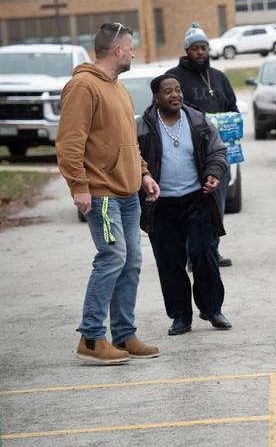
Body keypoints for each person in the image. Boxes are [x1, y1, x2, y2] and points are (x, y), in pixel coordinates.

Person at [56, 22, 161, 365]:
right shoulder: (83, 86)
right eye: (130, 47)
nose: (133, 52)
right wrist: (79, 186)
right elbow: (70, 143)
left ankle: (124, 335)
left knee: (131, 262)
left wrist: (143, 172)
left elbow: (127, 141)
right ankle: (91, 338)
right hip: (101, 194)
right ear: (117, 50)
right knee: (112, 257)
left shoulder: (118, 87)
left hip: (129, 192)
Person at [137, 74, 232, 335]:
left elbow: (218, 150)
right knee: (170, 262)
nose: (176, 95)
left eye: (178, 90)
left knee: (205, 254)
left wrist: (213, 172)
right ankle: (180, 317)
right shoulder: (142, 128)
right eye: (168, 91)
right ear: (156, 97)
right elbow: (131, 159)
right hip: (161, 204)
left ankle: (212, 309)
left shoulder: (198, 120)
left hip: (197, 198)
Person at [167, 22, 237, 268]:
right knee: (191, 207)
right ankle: (189, 254)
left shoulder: (218, 77)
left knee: (216, 204)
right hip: (187, 154)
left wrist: (232, 124)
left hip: (217, 154)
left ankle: (211, 251)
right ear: (187, 50)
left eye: (204, 47)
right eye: (195, 48)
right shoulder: (174, 78)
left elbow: (232, 108)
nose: (200, 52)